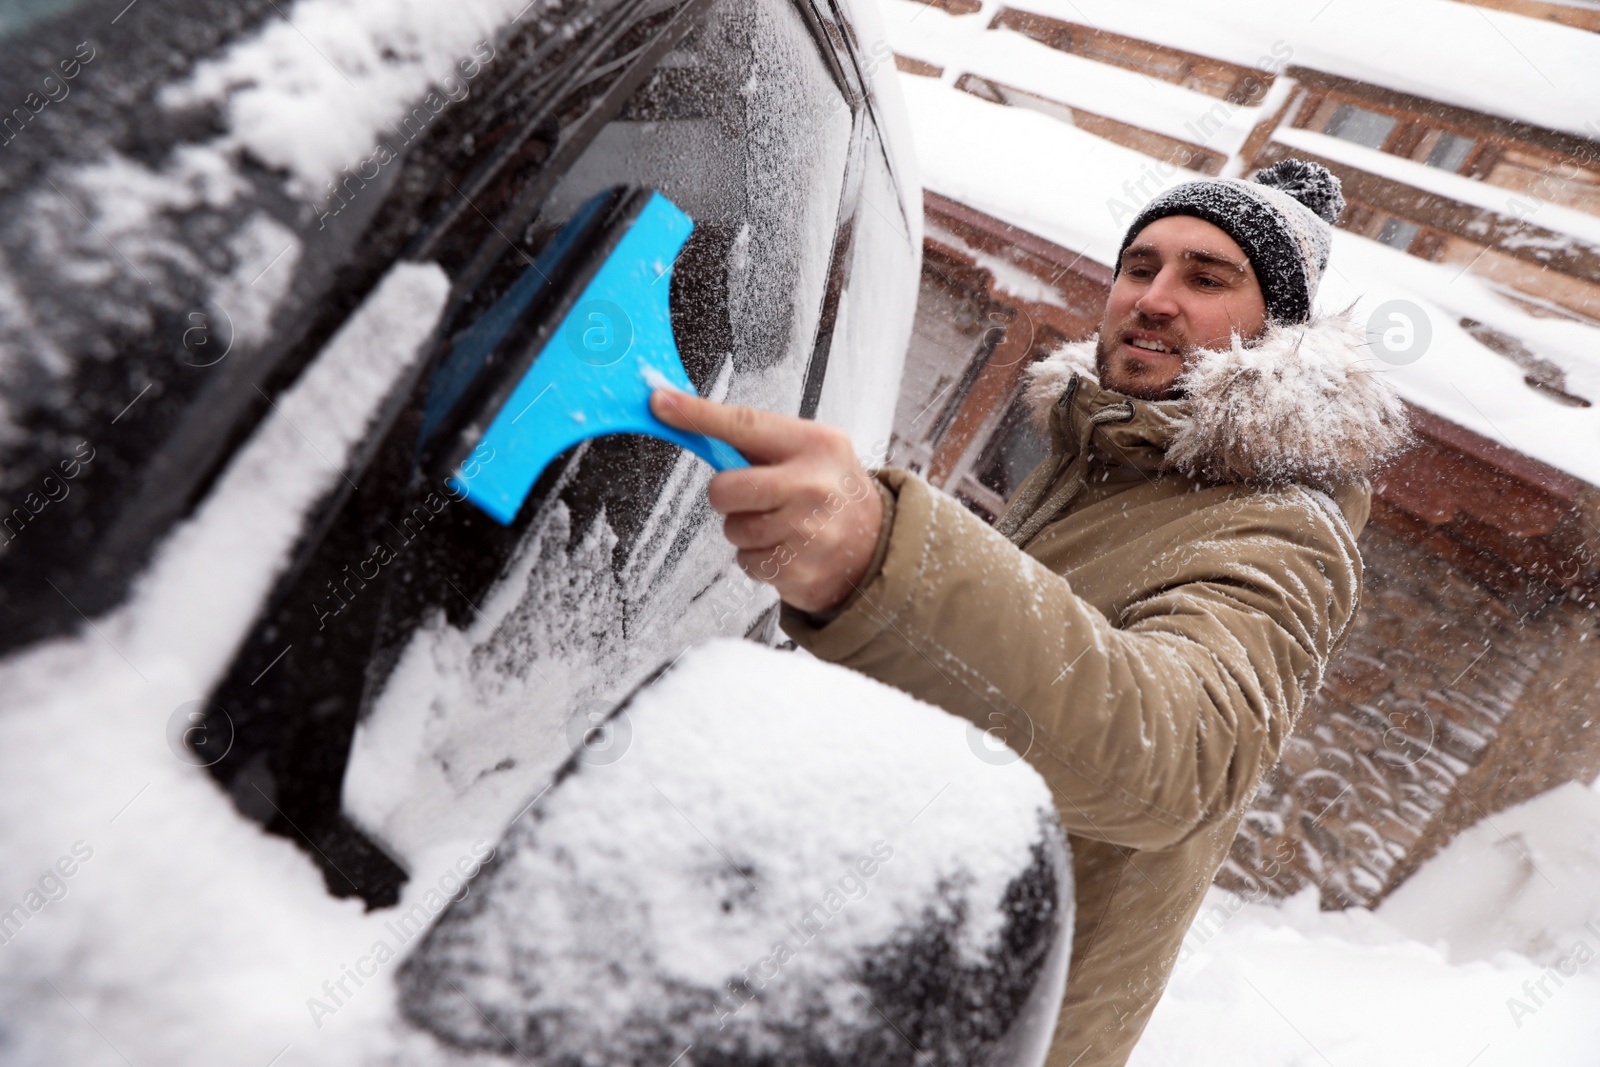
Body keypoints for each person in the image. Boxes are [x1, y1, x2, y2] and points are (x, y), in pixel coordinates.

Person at [650, 158, 1411, 1067]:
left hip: (988, 1025)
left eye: (1206, 279)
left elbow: (1178, 754)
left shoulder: (1284, 526)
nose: (1154, 297)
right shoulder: (1098, 455)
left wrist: (884, 557)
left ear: (1275, 333)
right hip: (884, 960)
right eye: (1141, 266)